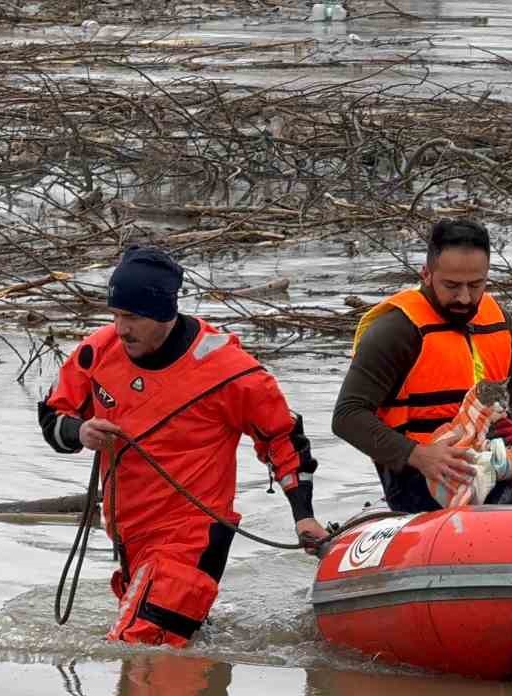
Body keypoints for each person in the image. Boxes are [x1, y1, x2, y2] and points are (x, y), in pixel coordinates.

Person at [37, 245, 328, 647]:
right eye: (116, 315)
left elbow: (282, 436)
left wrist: (303, 515)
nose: (121, 329)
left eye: (133, 317)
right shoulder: (97, 352)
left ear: (165, 314)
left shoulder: (229, 370)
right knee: (151, 676)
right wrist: (80, 432)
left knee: (136, 651)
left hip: (194, 537)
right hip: (130, 538)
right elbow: (53, 419)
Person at [332, 218, 512, 512]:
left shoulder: (499, 321)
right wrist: (419, 455)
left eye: (475, 285)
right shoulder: (396, 330)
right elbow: (347, 416)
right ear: (427, 274)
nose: (464, 297)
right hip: (421, 476)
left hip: (494, 458)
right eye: (451, 285)